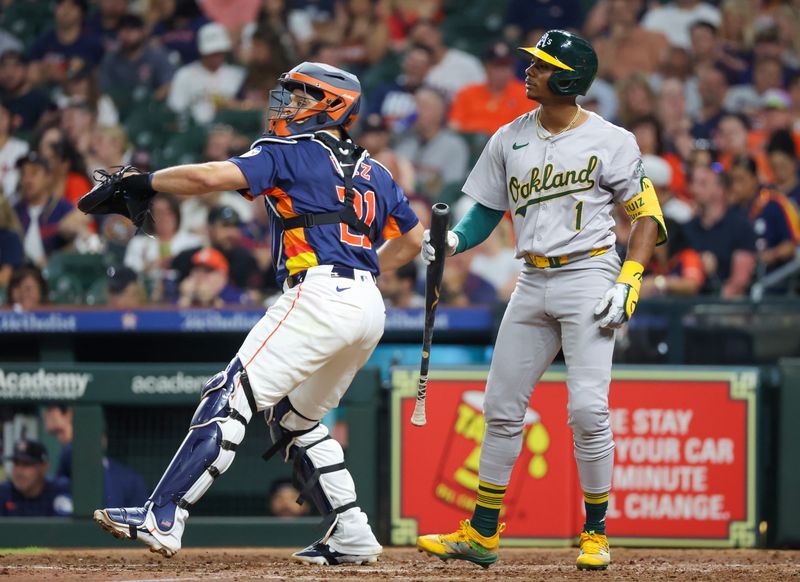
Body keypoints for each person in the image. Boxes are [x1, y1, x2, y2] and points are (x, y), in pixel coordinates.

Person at [88, 61, 423, 564]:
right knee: (295, 419)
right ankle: (352, 533)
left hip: (317, 295)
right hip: (367, 306)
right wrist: (367, 270)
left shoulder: (288, 150)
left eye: (301, 96)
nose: (285, 104)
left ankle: (164, 513)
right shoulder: (376, 168)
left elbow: (209, 177)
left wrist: (148, 181)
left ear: (332, 105)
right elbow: (414, 239)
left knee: (229, 394)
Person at [416, 30, 665, 570]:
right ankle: (482, 533)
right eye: (532, 62)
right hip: (531, 278)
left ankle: (595, 532)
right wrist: (453, 241)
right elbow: (484, 209)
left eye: (542, 65)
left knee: (587, 410)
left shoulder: (613, 139)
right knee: (501, 407)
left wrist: (630, 279)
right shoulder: (509, 137)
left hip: (590, 273)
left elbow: (648, 218)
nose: (528, 70)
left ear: (569, 79)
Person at [42, 405, 148, 507]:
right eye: (55, 434)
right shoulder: (63, 473)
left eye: (61, 431)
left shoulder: (129, 480)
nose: (62, 439)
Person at [683, 165, 755, 297]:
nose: (694, 189)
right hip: (688, 301)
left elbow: (740, 281)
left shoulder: (740, 227)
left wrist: (714, 304)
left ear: (720, 189)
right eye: (694, 183)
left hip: (724, 307)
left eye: (703, 184)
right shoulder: (687, 229)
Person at [166, 22, 246, 125]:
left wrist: (235, 106)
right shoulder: (185, 75)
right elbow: (175, 108)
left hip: (230, 129)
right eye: (212, 52)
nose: (217, 55)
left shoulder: (236, 74)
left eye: (220, 50)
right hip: (194, 130)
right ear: (202, 51)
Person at [449, 42, 535, 136]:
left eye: (506, 66)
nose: (502, 72)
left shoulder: (525, 92)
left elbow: (525, 129)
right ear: (486, 67)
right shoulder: (467, 92)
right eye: (496, 66)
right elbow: (454, 126)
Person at [99, 13, 176, 102]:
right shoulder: (110, 58)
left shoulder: (157, 55)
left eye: (131, 30)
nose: (127, 35)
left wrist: (149, 102)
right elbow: (104, 89)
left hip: (152, 107)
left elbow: (168, 84)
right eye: (122, 30)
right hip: (119, 107)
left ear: (143, 32)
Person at [0, 439, 72, 517]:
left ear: (44, 468)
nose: (19, 471)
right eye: (16, 464)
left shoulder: (60, 490)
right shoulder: (4, 492)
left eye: (26, 464)